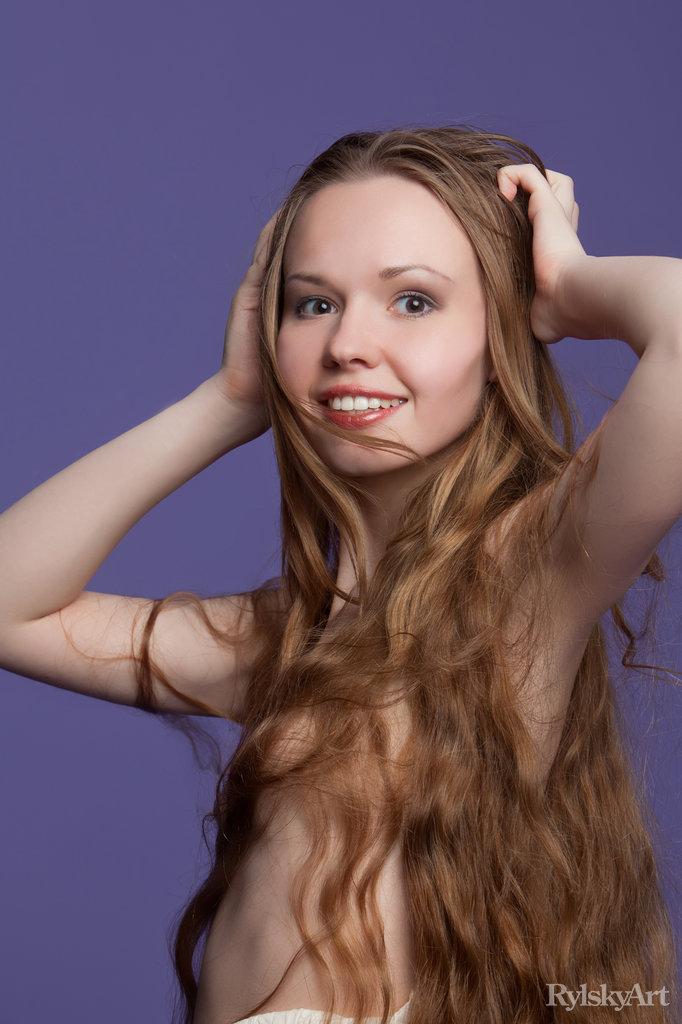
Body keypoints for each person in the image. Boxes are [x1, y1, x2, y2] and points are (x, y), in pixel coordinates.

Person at [0, 125, 680, 1024]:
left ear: (503, 331)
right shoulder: (289, 640)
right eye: (313, 303)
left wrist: (566, 287)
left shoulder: (521, 584)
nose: (348, 342)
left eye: (413, 301)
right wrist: (227, 401)